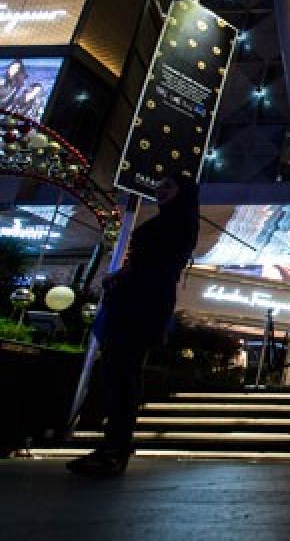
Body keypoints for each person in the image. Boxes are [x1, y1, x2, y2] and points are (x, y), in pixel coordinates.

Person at [67, 173, 200, 476]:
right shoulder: (174, 221)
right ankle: (114, 446)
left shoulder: (178, 224)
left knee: (122, 373)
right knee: (119, 373)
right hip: (137, 301)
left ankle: (115, 448)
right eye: (160, 184)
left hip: (143, 303)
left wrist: (125, 276)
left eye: (168, 186)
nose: (159, 189)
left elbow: (157, 265)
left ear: (183, 192)